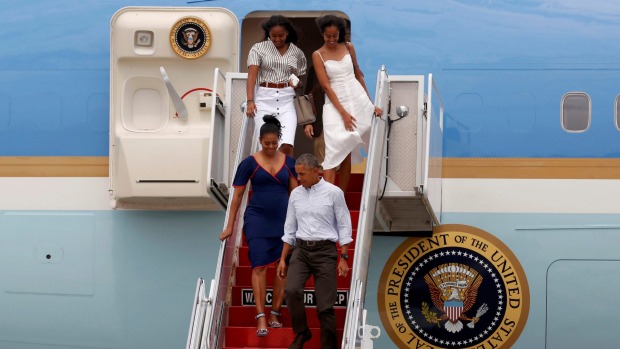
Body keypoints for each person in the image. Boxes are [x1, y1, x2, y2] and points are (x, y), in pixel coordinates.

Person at [220, 115, 299, 337]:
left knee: (282, 269)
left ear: (279, 140)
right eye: (267, 144)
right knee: (259, 266)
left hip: (284, 220)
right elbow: (237, 197)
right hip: (257, 220)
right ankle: (261, 315)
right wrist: (230, 226)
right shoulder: (249, 163)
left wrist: (298, 224)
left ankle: (275, 312)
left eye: (274, 143)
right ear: (260, 141)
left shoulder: (290, 163)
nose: (271, 147)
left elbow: (295, 196)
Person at [276, 153, 352, 349]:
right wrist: (283, 258)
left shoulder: (334, 193)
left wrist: (344, 256)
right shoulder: (296, 194)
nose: (298, 178)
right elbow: (289, 227)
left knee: (325, 307)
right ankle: (302, 333)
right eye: (297, 174)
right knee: (292, 291)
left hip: (326, 252)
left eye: (302, 174)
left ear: (316, 171)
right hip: (300, 250)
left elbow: (344, 225)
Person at [311, 15, 382, 193]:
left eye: (335, 36)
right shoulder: (318, 54)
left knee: (347, 150)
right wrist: (343, 113)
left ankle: (339, 196)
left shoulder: (349, 47)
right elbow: (326, 86)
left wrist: (371, 104)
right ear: (322, 34)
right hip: (335, 104)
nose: (332, 40)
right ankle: (326, 196)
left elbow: (358, 75)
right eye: (328, 36)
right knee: (333, 149)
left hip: (357, 98)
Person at [246, 15, 308, 157]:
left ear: (287, 34)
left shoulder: (297, 52)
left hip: (287, 100)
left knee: (287, 145)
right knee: (267, 145)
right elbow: (252, 76)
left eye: (281, 35)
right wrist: (250, 100)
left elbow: (300, 82)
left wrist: (297, 83)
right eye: (274, 35)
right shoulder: (258, 48)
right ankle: (266, 177)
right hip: (264, 99)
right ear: (268, 33)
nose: (278, 39)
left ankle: (287, 178)